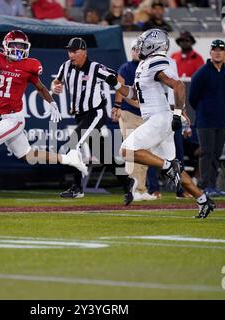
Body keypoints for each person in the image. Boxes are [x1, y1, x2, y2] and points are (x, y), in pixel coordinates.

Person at [0, 30, 87, 204]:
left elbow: (41, 87)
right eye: (15, 45)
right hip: (0, 118)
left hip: (13, 118)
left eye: (22, 46)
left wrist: (52, 103)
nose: (18, 49)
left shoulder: (29, 65)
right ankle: (69, 158)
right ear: (6, 46)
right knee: (27, 155)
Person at [107, 29, 216, 218]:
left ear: (153, 45)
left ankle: (167, 166)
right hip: (158, 118)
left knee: (126, 151)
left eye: (143, 43)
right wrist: (116, 85)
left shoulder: (157, 60)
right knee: (176, 169)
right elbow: (134, 93)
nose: (139, 46)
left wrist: (177, 113)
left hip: (159, 118)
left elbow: (179, 85)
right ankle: (203, 200)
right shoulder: (145, 64)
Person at [51, 37, 136, 205]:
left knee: (71, 145)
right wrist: (55, 87)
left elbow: (119, 80)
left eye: (75, 51)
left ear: (84, 52)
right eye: (70, 51)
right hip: (80, 115)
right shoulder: (66, 66)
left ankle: (77, 187)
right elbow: (56, 81)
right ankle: (127, 181)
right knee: (102, 154)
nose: (71, 55)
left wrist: (117, 104)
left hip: (95, 113)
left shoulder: (95, 68)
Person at [188, 39, 225, 198]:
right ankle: (204, 186)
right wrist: (204, 110)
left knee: (216, 153)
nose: (217, 52)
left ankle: (213, 185)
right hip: (206, 121)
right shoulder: (202, 73)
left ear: (224, 53)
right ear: (210, 53)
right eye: (214, 50)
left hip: (221, 120)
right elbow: (192, 96)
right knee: (206, 153)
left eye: (220, 50)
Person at [112, 39, 156, 201]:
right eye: (135, 49)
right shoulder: (126, 67)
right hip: (130, 113)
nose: (137, 51)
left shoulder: (148, 67)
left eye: (140, 49)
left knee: (145, 152)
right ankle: (132, 189)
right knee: (131, 151)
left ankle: (141, 189)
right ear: (131, 51)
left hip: (145, 115)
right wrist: (136, 104)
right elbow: (121, 89)